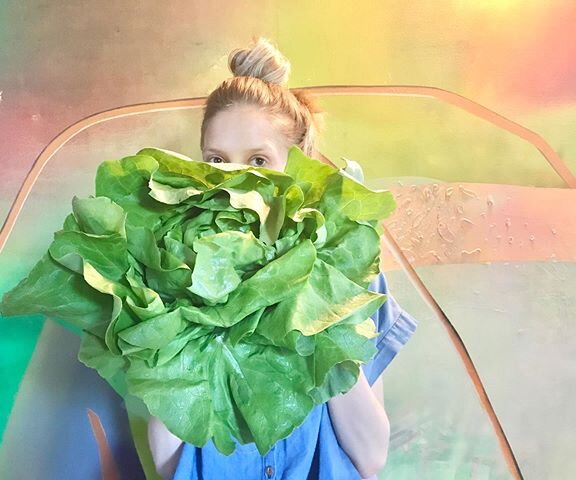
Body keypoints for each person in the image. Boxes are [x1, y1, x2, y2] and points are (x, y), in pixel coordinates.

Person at [147, 36, 418, 480]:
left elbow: (372, 456)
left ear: (297, 166)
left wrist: (314, 313)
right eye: (217, 160)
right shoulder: (172, 271)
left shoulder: (349, 271)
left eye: (258, 159)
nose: (234, 181)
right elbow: (167, 461)